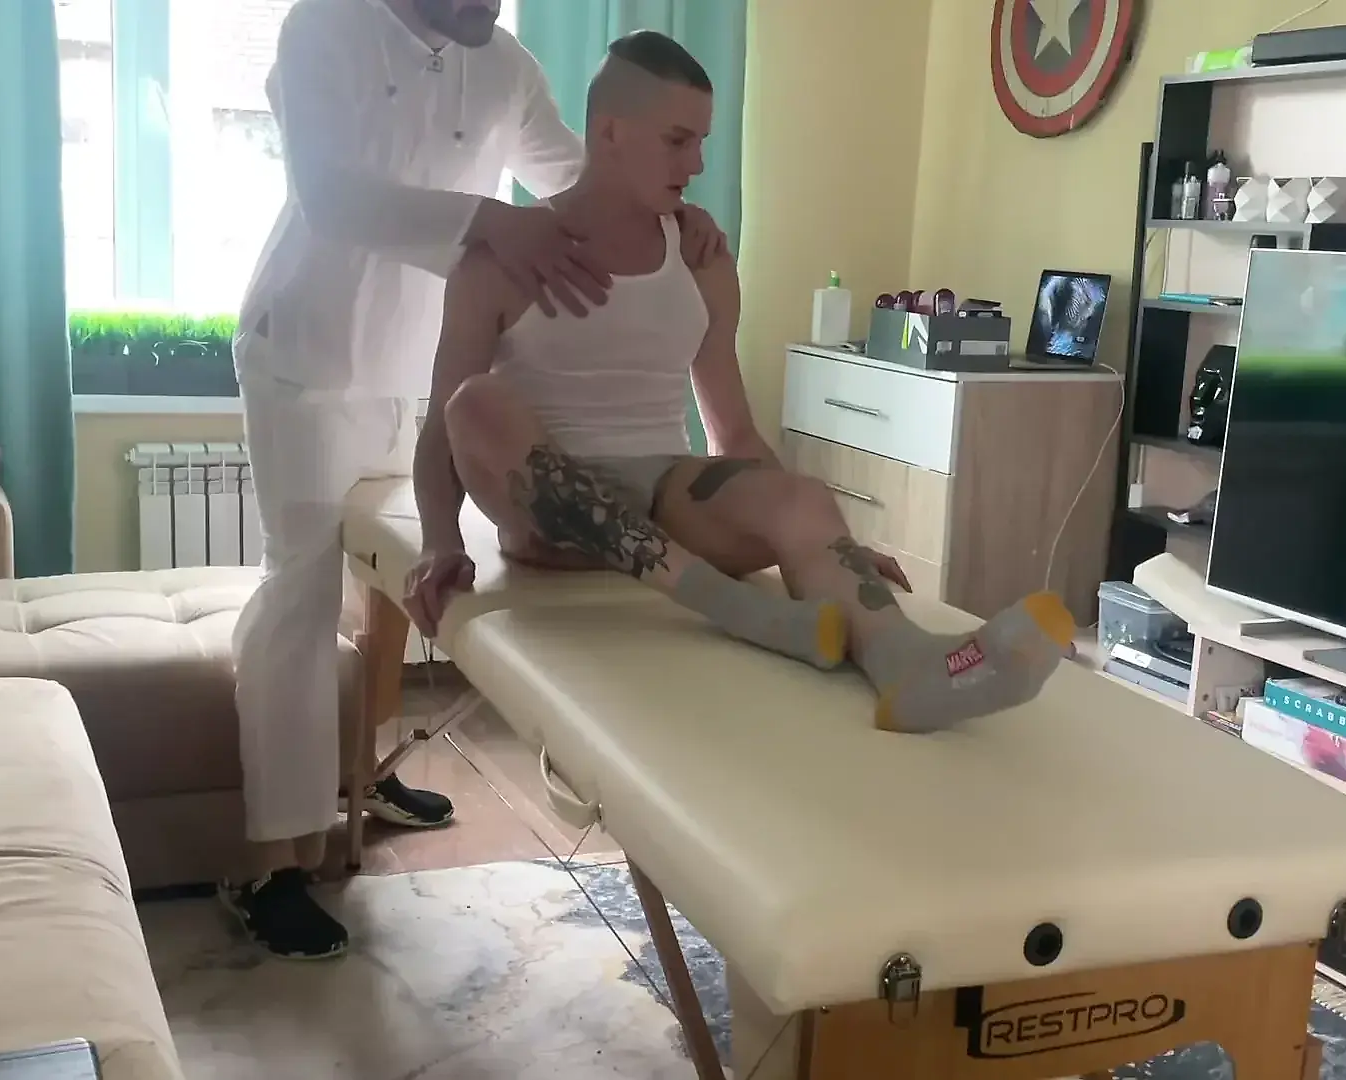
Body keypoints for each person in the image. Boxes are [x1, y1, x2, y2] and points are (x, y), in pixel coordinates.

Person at [227, 0, 730, 961]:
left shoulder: (502, 64)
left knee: (387, 579)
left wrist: (676, 212)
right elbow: (330, 195)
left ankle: (362, 775)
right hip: (307, 361)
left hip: (423, 367)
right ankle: (271, 865)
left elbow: (584, 173)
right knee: (302, 592)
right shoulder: (324, 28)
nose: (491, 4)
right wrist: (493, 221)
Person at [405, 31, 1074, 743]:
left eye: (702, 142)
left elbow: (733, 433)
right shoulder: (502, 258)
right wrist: (439, 540)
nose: (697, 163)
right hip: (549, 518)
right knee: (474, 404)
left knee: (804, 496)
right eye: (677, 141)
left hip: (668, 501)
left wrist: (830, 550)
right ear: (610, 132)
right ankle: (743, 613)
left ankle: (910, 664)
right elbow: (443, 430)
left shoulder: (703, 261)